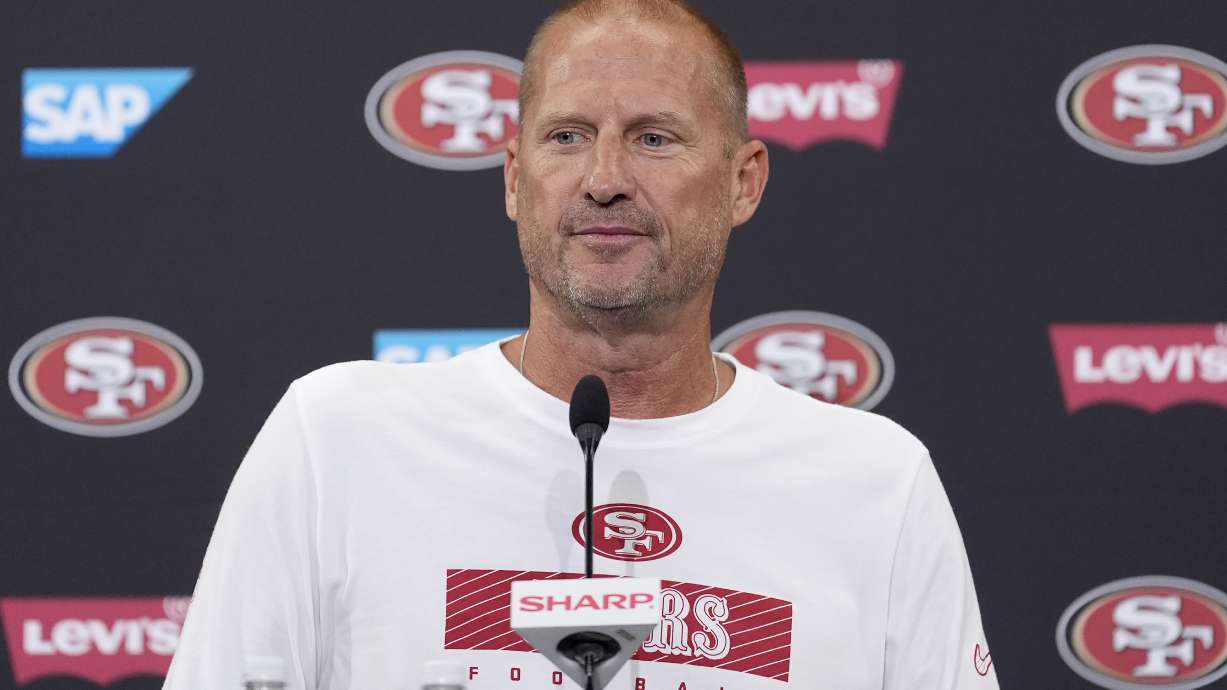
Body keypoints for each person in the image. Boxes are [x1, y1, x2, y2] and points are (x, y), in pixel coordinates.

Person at [164, 1, 999, 688]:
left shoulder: (876, 484)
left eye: (654, 138)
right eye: (566, 136)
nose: (604, 178)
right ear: (515, 180)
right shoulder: (336, 440)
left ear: (744, 181)